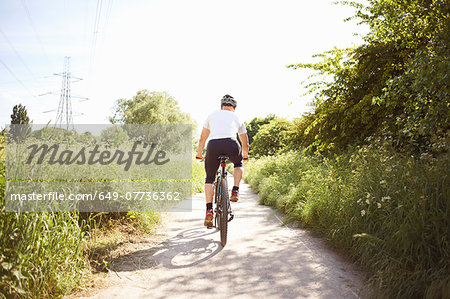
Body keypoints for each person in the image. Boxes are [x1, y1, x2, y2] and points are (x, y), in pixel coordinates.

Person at [196, 94, 249, 228]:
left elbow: (202, 138)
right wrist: (245, 154)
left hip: (213, 145)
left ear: (221, 106)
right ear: (234, 108)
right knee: (238, 163)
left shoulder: (211, 115)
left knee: (209, 178)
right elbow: (245, 141)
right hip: (231, 144)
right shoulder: (237, 117)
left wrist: (199, 154)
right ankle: (235, 190)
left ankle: (209, 210)